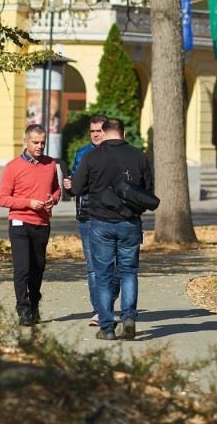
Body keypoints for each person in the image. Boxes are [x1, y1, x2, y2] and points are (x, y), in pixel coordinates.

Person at [70, 118, 153, 341]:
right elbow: (148, 191)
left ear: (104, 134)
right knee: (128, 272)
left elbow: (77, 188)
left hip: (100, 223)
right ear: (123, 134)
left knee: (104, 275)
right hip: (130, 222)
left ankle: (106, 327)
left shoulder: (92, 156)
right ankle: (128, 316)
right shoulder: (139, 156)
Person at [0, 124, 62, 326]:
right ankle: (23, 310)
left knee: (38, 268)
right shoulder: (13, 167)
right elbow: (2, 199)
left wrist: (54, 199)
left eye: (43, 142)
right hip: (19, 223)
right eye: (35, 142)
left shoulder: (50, 164)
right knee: (22, 268)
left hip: (42, 223)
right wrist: (28, 203)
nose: (40, 146)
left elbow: (57, 189)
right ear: (26, 141)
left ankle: (34, 306)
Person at [63, 114, 110, 327]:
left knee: (112, 266)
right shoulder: (82, 153)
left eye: (99, 130)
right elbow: (75, 184)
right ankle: (99, 310)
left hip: (110, 217)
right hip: (87, 216)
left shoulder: (115, 153)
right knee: (92, 266)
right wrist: (69, 184)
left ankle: (107, 305)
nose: (96, 134)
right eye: (93, 131)